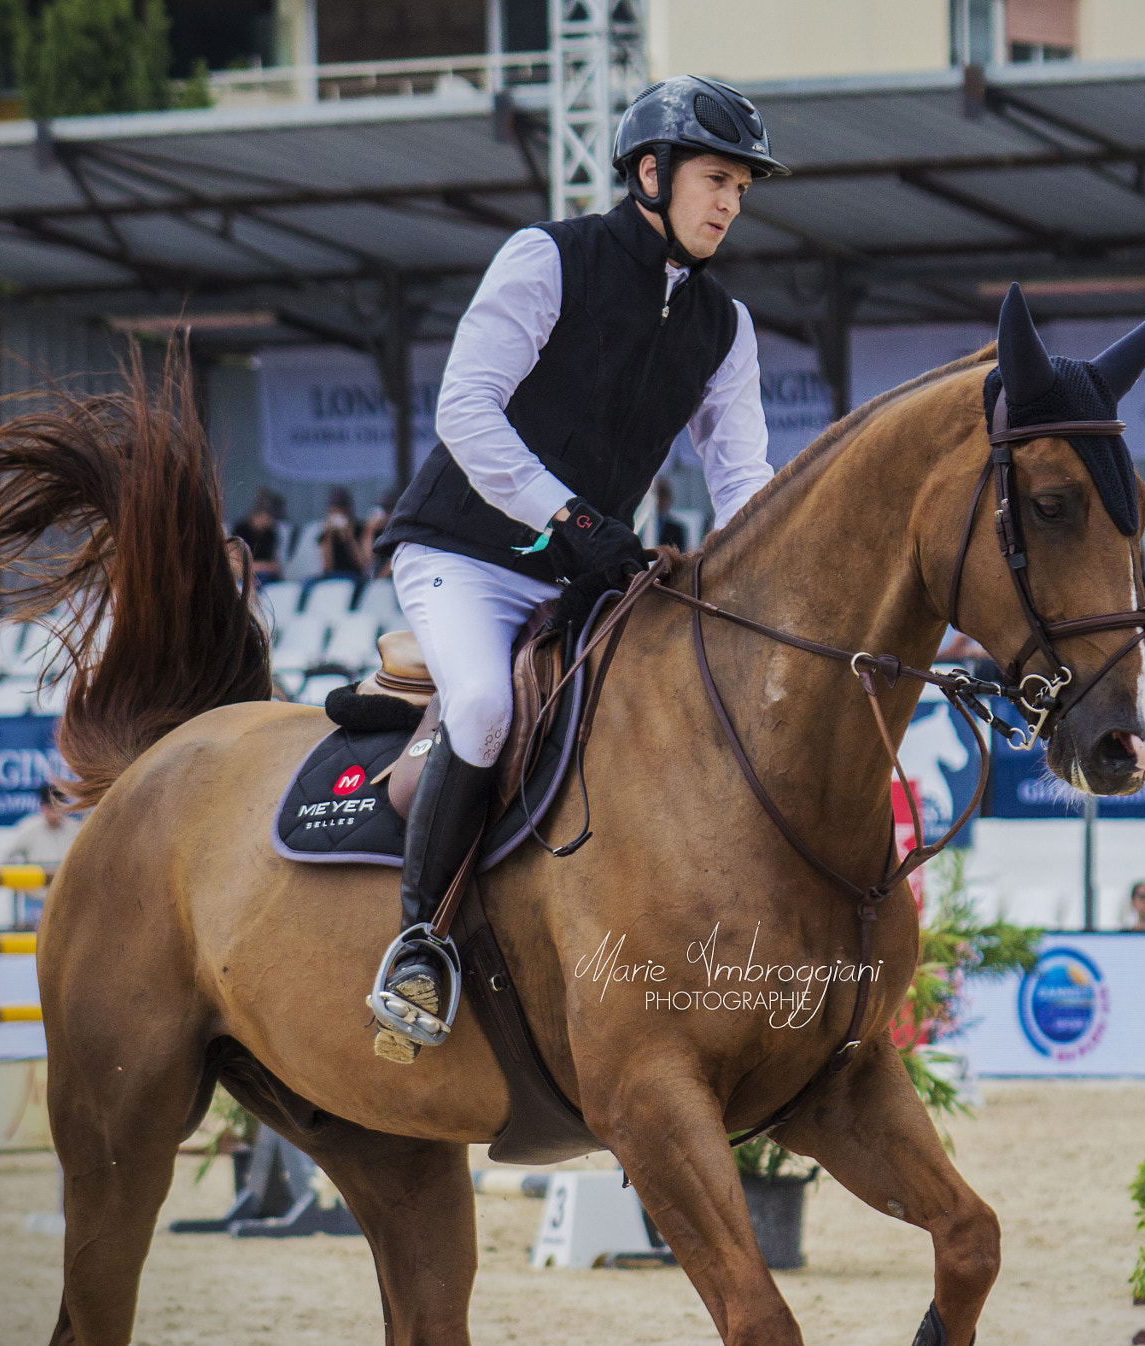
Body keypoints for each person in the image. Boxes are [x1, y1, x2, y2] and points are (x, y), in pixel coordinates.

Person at [365, 76, 785, 1064]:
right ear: (650, 171)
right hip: (463, 555)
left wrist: (768, 584)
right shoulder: (548, 258)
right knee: (479, 710)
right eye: (714, 178)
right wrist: (567, 514)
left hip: (585, 578)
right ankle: (417, 942)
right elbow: (465, 409)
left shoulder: (725, 326)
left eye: (741, 187)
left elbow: (743, 479)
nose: (728, 201)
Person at [306, 487, 369, 602]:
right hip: (333, 575)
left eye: (340, 508)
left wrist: (349, 537)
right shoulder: (326, 533)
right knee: (308, 583)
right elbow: (327, 567)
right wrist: (329, 536)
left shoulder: (360, 529)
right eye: (334, 508)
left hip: (354, 575)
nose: (338, 512)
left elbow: (363, 564)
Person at [3, 783, 83, 865]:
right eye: (50, 807)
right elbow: (7, 856)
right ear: (43, 806)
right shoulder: (29, 828)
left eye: (58, 807)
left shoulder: (74, 829)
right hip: (37, 876)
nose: (54, 812)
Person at [230, 488, 284, 582]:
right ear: (262, 514)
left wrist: (264, 567)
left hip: (264, 576)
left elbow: (275, 565)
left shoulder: (270, 534)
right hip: (245, 577)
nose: (274, 522)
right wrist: (263, 566)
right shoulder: (240, 530)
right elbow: (237, 564)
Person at [652, 478, 689, 551]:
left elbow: (680, 557)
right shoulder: (641, 525)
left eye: (663, 494)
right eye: (656, 494)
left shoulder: (677, 530)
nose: (659, 499)